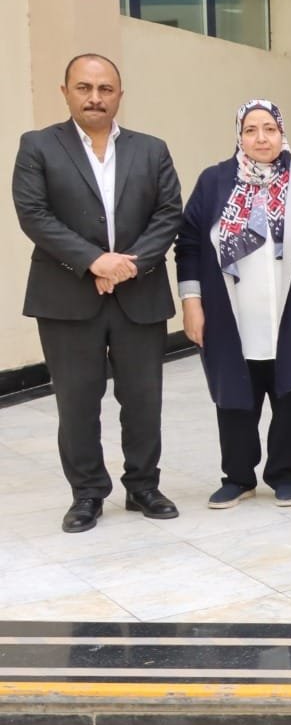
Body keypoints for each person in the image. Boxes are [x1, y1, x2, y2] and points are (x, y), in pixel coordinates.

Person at [12, 53, 183, 533]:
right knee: (77, 403)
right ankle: (87, 493)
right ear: (65, 91)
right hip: (66, 297)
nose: (95, 98)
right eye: (84, 88)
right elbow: (34, 214)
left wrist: (128, 265)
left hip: (139, 294)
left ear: (119, 95)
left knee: (144, 400)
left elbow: (169, 213)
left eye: (105, 89)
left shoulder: (152, 149)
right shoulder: (38, 146)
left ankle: (143, 486)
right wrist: (95, 261)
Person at [175, 100, 291, 508]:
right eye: (251, 130)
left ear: (282, 133)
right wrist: (191, 301)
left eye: (269, 128)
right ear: (239, 136)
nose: (261, 138)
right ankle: (238, 477)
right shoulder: (215, 181)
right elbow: (189, 244)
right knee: (233, 397)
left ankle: (285, 473)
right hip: (231, 315)